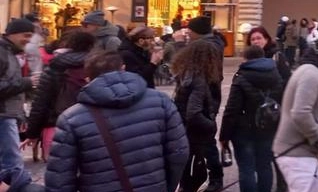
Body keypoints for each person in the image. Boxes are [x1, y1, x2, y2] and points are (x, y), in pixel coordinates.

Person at [44, 51, 189, 192]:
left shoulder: (71, 118)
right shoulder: (161, 101)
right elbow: (179, 152)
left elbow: (60, 176)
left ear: (88, 77)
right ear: (123, 68)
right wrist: (166, 185)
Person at [273, 31, 318, 192]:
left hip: (300, 153)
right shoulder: (311, 74)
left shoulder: (313, 72)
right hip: (297, 153)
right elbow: (300, 113)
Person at [22, 31, 96, 161]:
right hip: (93, 126)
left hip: (57, 125)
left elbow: (40, 102)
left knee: (57, 171)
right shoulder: (99, 67)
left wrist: (32, 133)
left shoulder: (55, 67)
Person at [220, 45, 284, 192]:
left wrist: (224, 136)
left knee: (246, 168)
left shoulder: (242, 75)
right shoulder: (276, 74)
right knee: (264, 166)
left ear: (245, 58)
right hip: (268, 128)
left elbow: (231, 109)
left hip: (244, 130)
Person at [172, 39, 225, 192]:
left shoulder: (187, 75)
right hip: (198, 125)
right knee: (207, 152)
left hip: (185, 125)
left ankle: (186, 184)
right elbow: (193, 112)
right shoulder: (199, 79)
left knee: (191, 156)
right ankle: (214, 180)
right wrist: (210, 123)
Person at [0, 19, 38, 176]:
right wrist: (27, 82)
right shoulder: (3, 53)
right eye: (26, 35)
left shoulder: (9, 53)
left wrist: (21, 116)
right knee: (12, 164)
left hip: (7, 114)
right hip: (3, 115)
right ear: (12, 34)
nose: (29, 40)